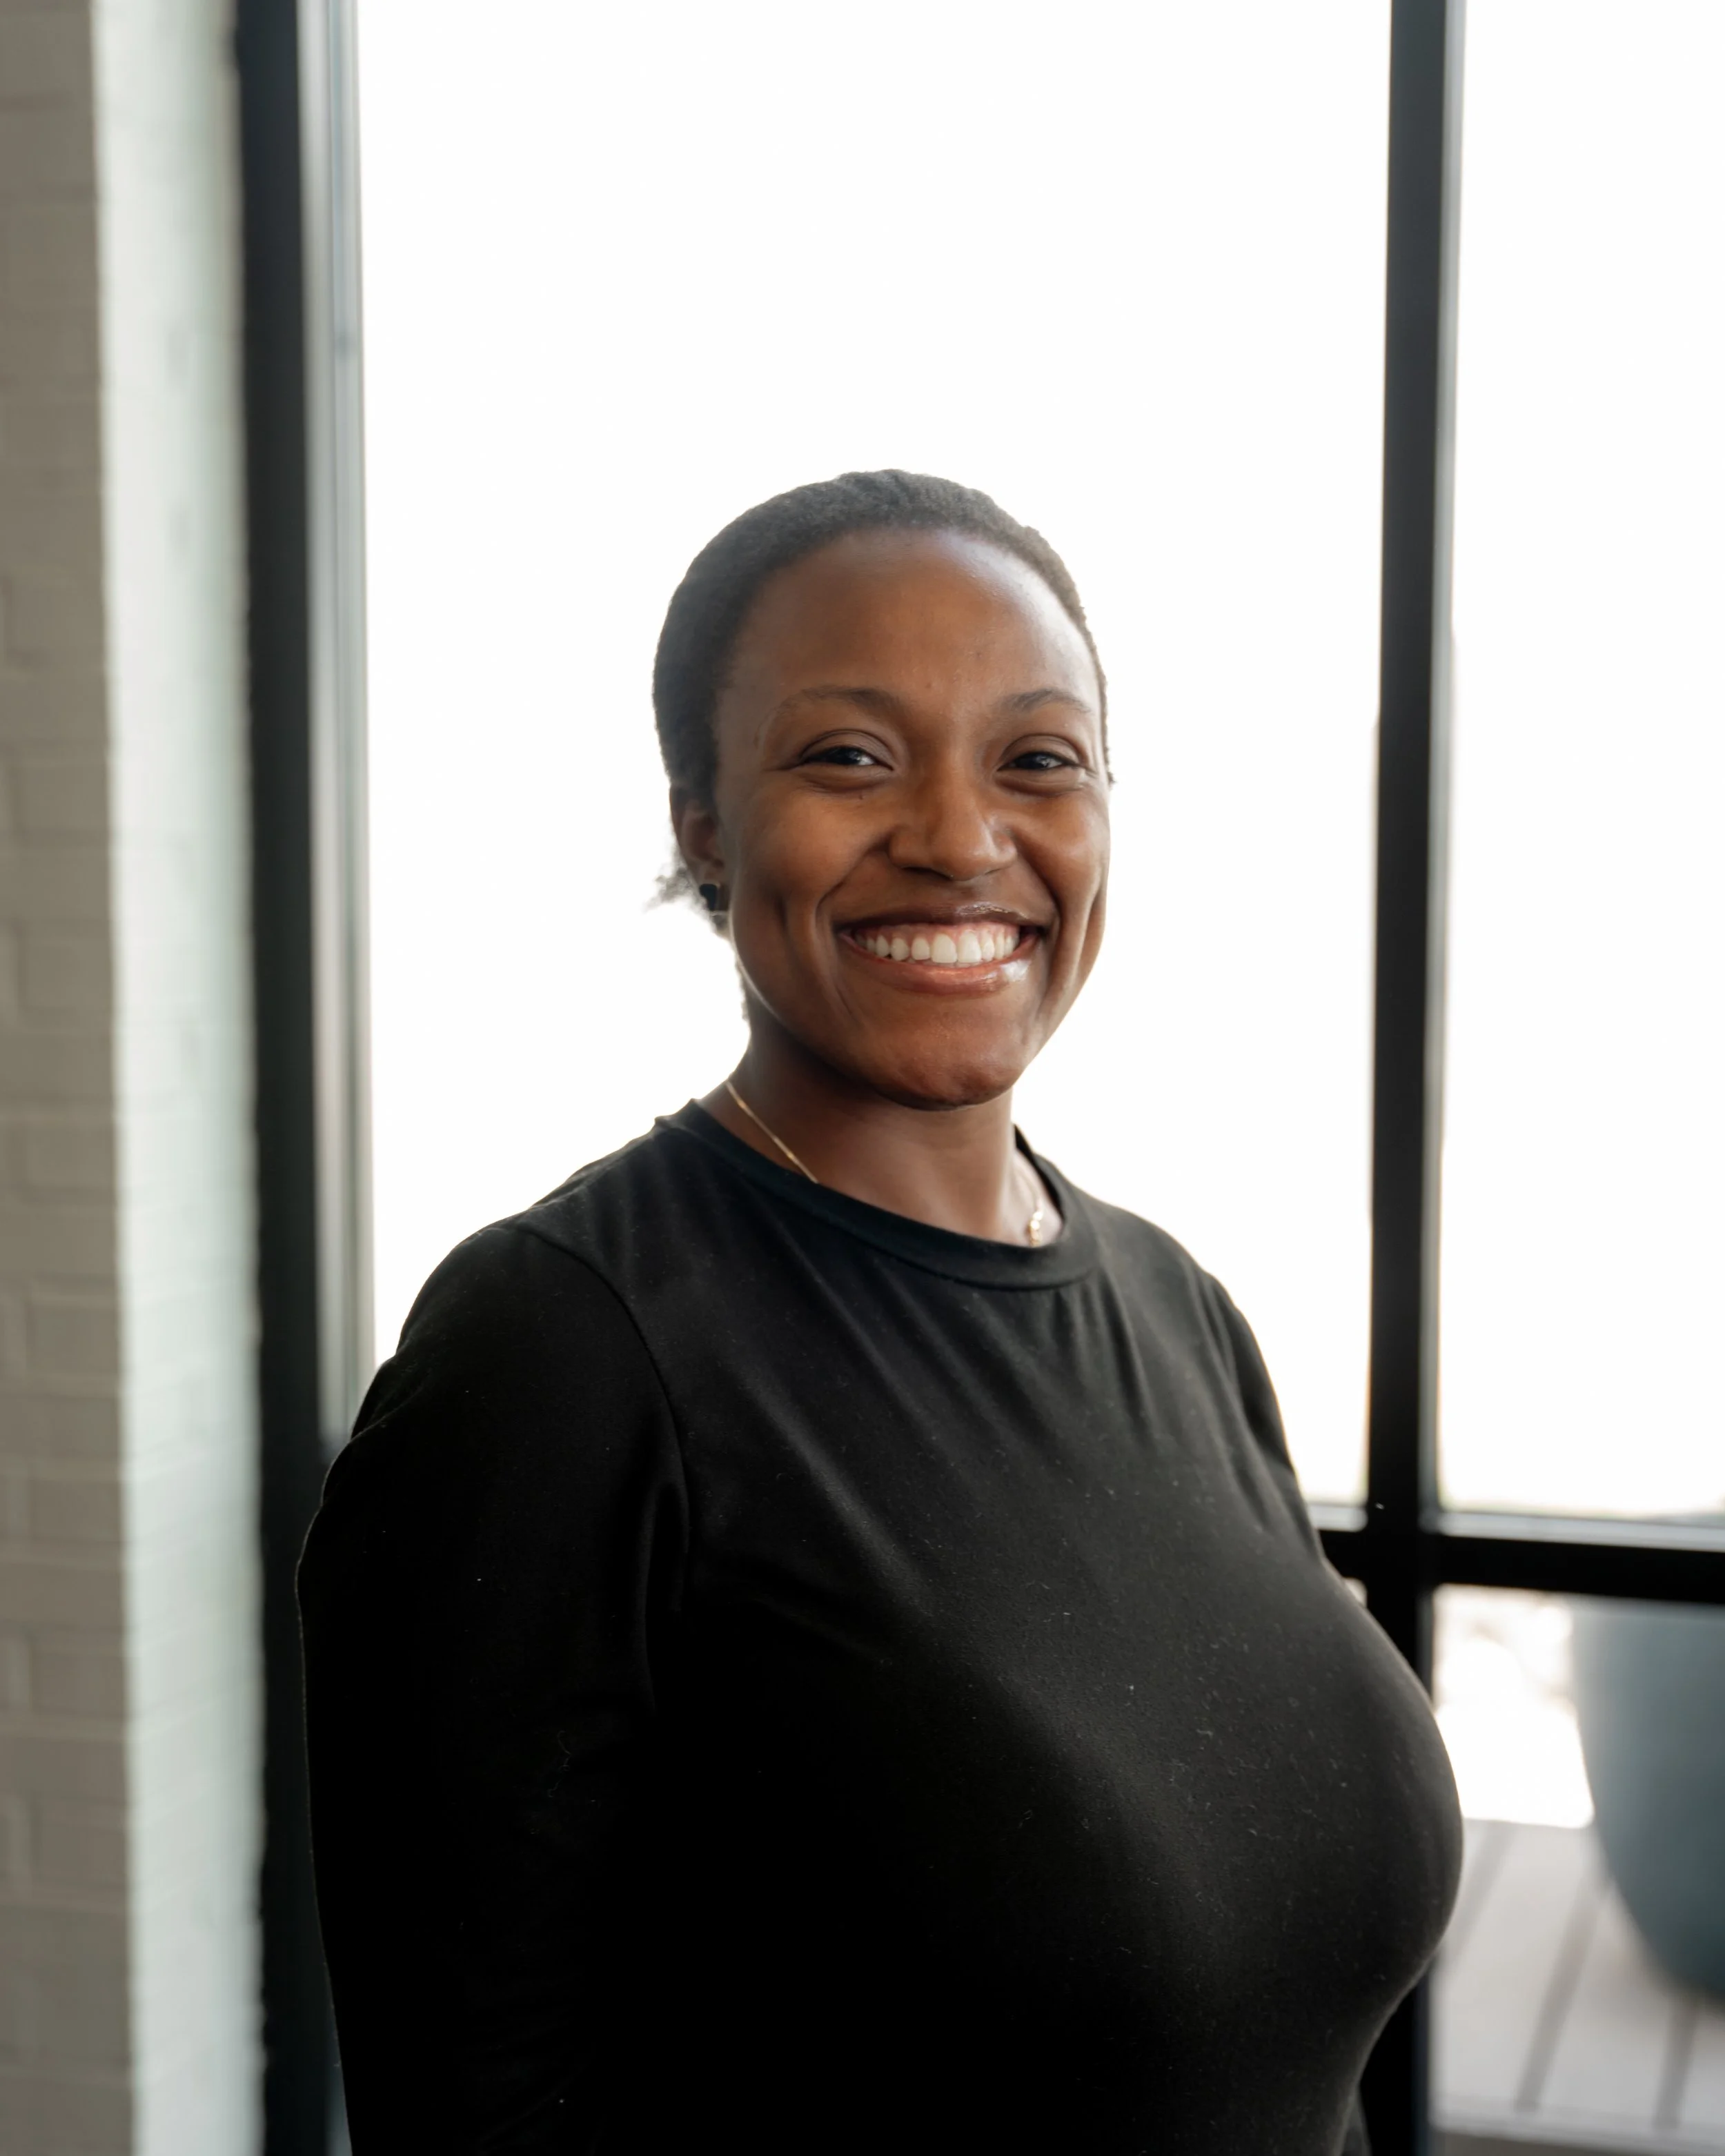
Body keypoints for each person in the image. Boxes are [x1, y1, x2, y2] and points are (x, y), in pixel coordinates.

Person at [299, 471, 1462, 2154]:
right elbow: (471, 2105)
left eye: (1037, 759)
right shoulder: (560, 1351)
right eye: (849, 754)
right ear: (701, 817)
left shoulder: (1175, 1309)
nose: (958, 834)